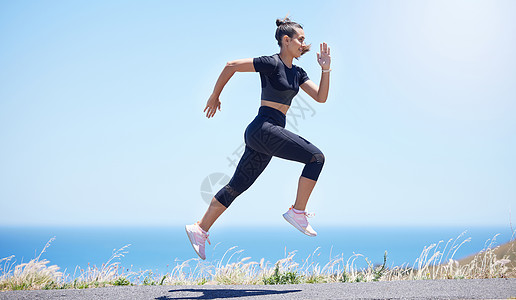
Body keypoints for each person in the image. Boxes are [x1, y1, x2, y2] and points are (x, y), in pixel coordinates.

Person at [186, 17, 331, 260]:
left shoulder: (298, 73)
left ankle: (199, 229)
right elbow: (231, 65)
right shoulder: (271, 63)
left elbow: (321, 97)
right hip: (263, 129)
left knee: (237, 186)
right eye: (301, 39)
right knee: (316, 157)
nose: (304, 44)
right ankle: (298, 212)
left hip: (266, 134)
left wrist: (326, 69)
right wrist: (214, 95)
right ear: (286, 40)